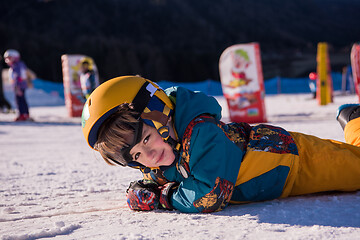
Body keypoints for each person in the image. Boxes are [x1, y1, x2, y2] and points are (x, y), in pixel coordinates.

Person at [81, 75, 360, 213]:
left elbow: (210, 194)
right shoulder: (163, 153)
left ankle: (354, 120)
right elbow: (155, 179)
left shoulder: (202, 132)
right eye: (137, 155)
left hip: (298, 162)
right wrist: (140, 191)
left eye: (146, 139)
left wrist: (163, 198)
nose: (150, 156)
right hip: (283, 176)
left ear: (160, 113)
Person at [3, 49, 30, 121]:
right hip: (19, 86)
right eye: (6, 59)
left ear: (15, 57)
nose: (7, 61)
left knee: (20, 100)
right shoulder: (17, 65)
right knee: (21, 100)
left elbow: (18, 77)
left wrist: (17, 87)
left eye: (9, 58)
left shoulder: (17, 66)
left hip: (19, 86)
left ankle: (23, 114)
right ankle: (24, 114)